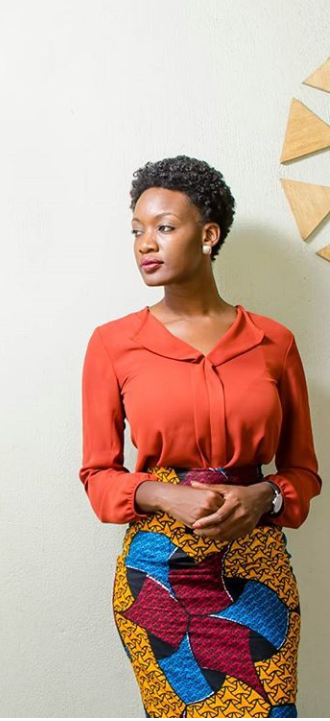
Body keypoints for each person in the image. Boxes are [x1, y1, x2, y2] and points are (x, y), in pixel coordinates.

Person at [78, 155, 322, 718]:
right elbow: (97, 476)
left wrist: (265, 495)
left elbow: (304, 472)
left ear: (208, 236)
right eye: (137, 230)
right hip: (159, 583)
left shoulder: (274, 342)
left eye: (164, 227)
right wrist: (165, 495)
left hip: (257, 576)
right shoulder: (113, 344)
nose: (146, 243)